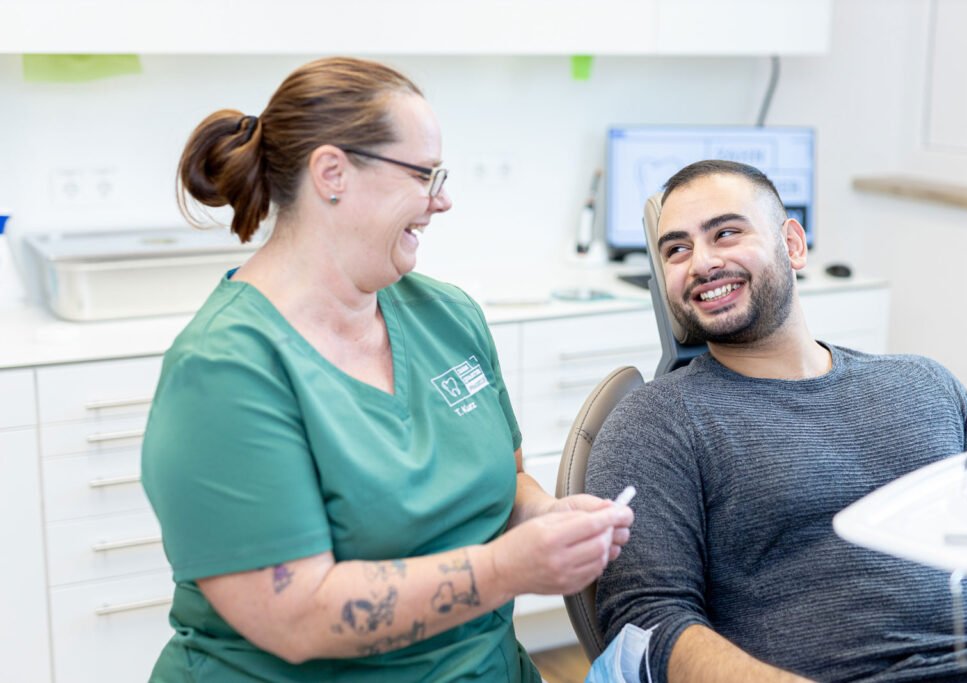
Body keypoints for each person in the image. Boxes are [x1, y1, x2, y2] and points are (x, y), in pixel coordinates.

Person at [140, 56, 633, 683]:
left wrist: (543, 518)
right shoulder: (224, 370)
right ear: (333, 173)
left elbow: (503, 482)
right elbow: (296, 617)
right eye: (425, 175)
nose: (442, 200)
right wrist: (510, 567)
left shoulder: (447, 316)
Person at [585, 160, 967, 682]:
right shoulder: (657, 422)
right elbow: (645, 622)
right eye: (676, 249)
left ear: (792, 244)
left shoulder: (925, 384)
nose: (701, 262)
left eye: (726, 233)